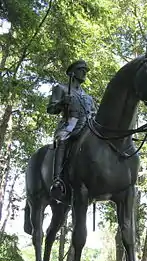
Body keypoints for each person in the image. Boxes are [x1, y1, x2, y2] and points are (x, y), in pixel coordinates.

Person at [47, 59, 96, 201]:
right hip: (69, 125)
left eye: (86, 71)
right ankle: (57, 180)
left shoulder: (88, 97)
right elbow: (51, 109)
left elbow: (94, 112)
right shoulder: (61, 88)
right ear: (73, 73)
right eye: (82, 70)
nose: (85, 73)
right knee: (62, 141)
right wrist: (62, 103)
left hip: (87, 125)